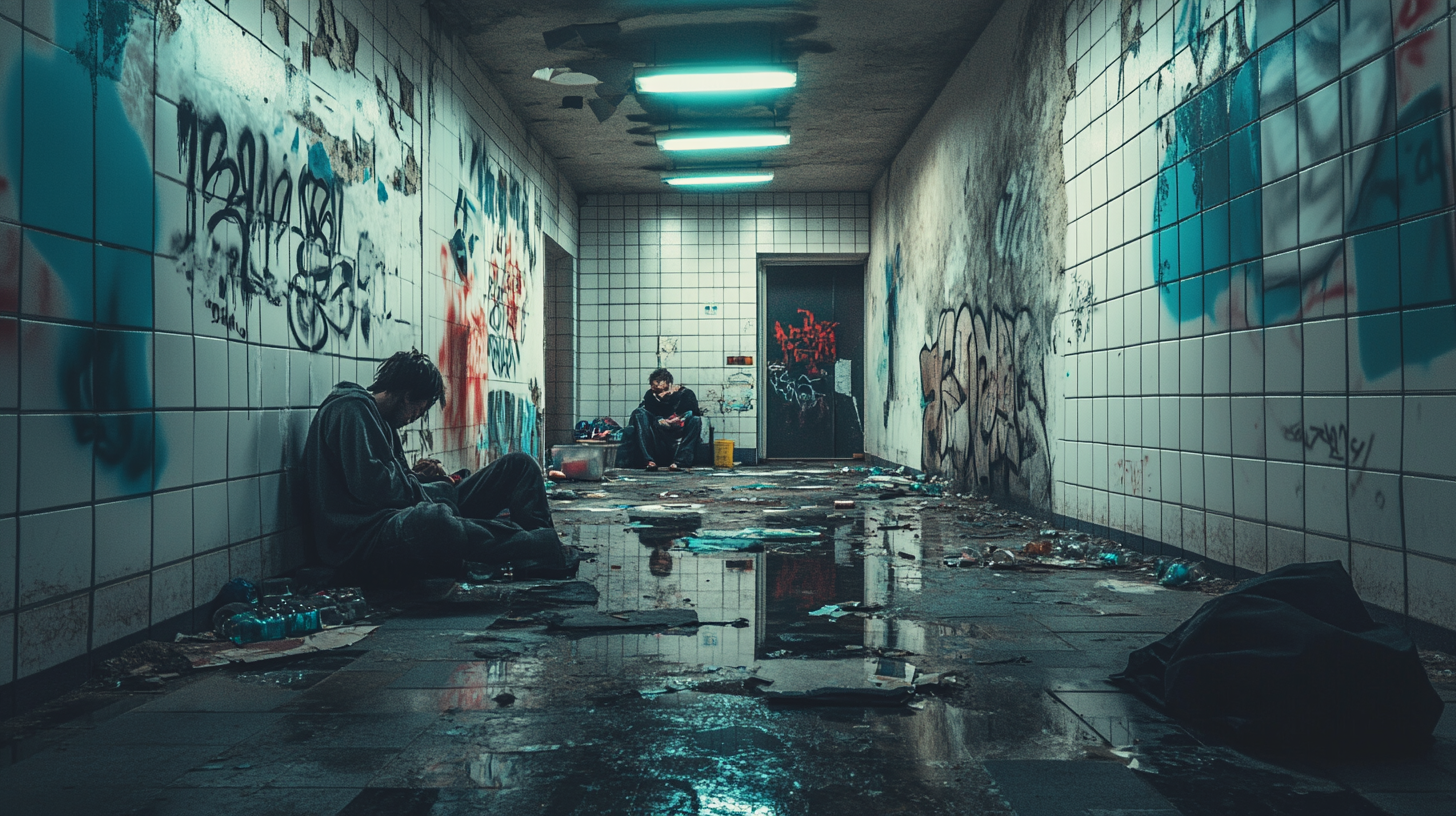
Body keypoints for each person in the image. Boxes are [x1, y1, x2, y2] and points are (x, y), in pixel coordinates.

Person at [303, 349, 574, 584]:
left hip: (396, 513)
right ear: (407, 396)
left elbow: (393, 482)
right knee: (433, 521)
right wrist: (430, 489)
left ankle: (539, 556)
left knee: (519, 466)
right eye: (418, 410)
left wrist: (428, 481)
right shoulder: (351, 411)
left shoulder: (381, 421)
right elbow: (375, 489)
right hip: (364, 538)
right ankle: (536, 545)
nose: (415, 418)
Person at [628, 368, 702, 471]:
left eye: (664, 390)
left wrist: (677, 419)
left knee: (696, 420)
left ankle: (680, 462)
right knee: (638, 413)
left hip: (678, 432)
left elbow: (693, 413)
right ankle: (648, 460)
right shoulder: (650, 396)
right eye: (656, 391)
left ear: (670, 385)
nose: (661, 394)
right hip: (658, 437)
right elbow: (650, 415)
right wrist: (659, 419)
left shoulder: (686, 394)